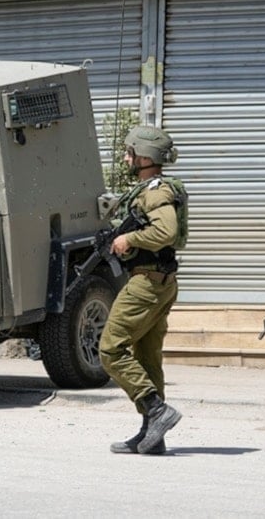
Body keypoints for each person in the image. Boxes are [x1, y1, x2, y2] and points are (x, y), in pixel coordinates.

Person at [100, 125, 187, 455]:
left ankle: (157, 410)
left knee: (110, 349)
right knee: (148, 357)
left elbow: (166, 230)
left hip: (147, 283)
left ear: (145, 157)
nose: (126, 157)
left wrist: (129, 239)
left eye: (130, 152)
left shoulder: (154, 191)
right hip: (161, 281)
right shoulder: (150, 189)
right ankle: (153, 435)